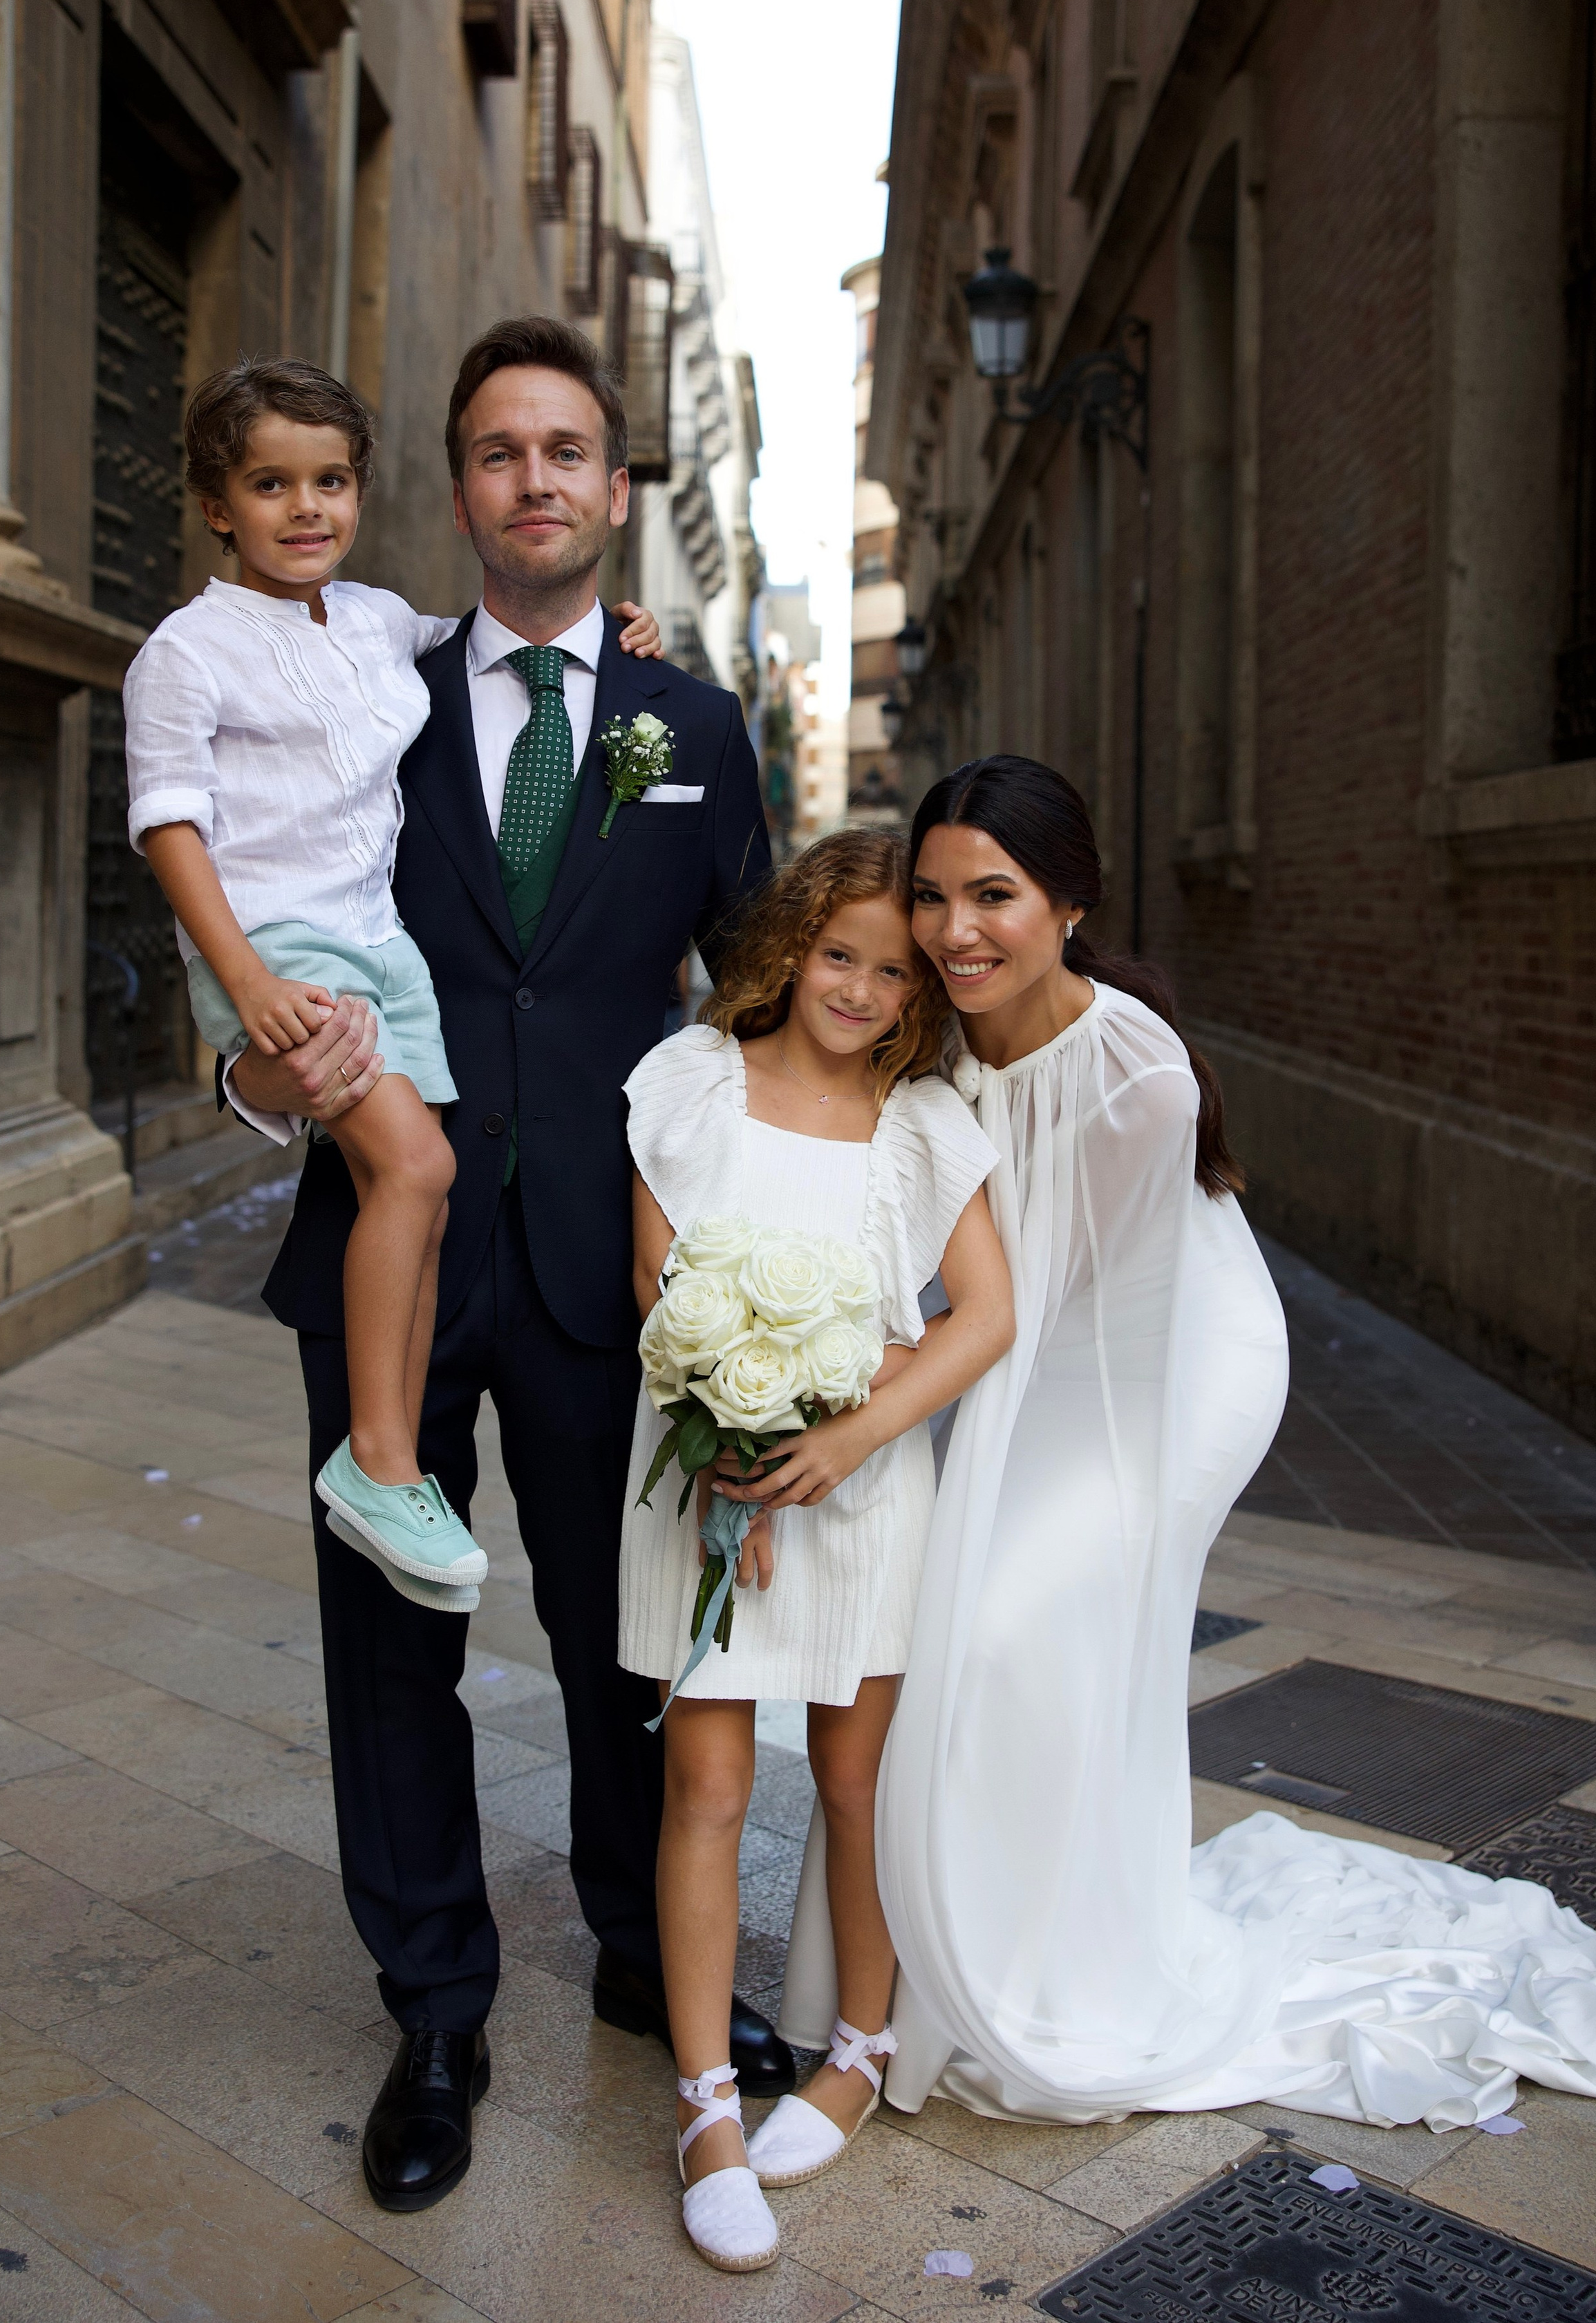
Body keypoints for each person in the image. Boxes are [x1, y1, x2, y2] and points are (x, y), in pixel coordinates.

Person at [224, 321, 794, 2217]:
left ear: (614, 488)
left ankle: (645, 1947)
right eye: (495, 449)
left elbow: (755, 1005)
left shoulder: (695, 726)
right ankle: (436, 2012)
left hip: (607, 1264)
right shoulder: (357, 691)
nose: (532, 476)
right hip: (385, 1245)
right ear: (456, 491)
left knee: (624, 1632)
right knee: (389, 1641)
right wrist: (251, 1068)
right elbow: (257, 917)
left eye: (565, 448)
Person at [867, 753, 1596, 2131]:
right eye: (930, 895)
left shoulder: (1137, 1078)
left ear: (1071, 904)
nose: (954, 929)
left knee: (1009, 1624)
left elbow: (1029, 1304)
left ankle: (1047, 1971)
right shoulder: (934, 1027)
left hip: (1174, 1367)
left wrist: (873, 1384)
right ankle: (986, 1940)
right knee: (976, 1631)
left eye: (993, 895)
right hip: (1040, 1340)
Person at [125, 359, 660, 1606]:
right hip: (285, 949)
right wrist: (245, 978)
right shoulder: (187, 652)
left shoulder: (373, 620)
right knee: (418, 1166)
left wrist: (623, 638)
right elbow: (168, 824)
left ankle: (394, 1458)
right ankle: (379, 1455)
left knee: (414, 1186)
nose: (305, 508)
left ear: (362, 490)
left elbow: (489, 642)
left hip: (382, 948)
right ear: (215, 504)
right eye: (271, 484)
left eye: (330, 481)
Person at [618, 831, 1013, 2270]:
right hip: (702, 1472)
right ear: (789, 947)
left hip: (863, 1487)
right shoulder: (691, 1081)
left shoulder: (920, 1123)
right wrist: (730, 1439)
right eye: (838, 953)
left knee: (856, 1781)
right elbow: (657, 1277)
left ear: (921, 994)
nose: (858, 987)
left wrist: (849, 1434)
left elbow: (981, 1313)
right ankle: (706, 2107)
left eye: (893, 971)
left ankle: (856, 2046)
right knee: (709, 1786)